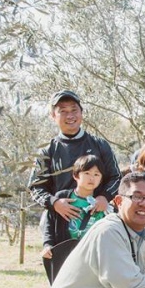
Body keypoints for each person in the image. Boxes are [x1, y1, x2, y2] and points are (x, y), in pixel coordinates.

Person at [29, 90, 120, 238]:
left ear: (81, 113)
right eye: (63, 111)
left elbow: (116, 177)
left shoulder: (100, 145)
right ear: (53, 116)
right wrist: (55, 203)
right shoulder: (47, 151)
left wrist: (104, 197)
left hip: (97, 220)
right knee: (58, 260)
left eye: (74, 110)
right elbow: (35, 187)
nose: (70, 116)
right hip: (60, 222)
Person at [41, 155, 109, 282]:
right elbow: (49, 223)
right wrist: (47, 244)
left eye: (96, 174)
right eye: (87, 173)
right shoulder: (63, 198)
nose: (91, 178)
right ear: (76, 176)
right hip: (65, 255)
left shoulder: (103, 204)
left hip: (92, 258)